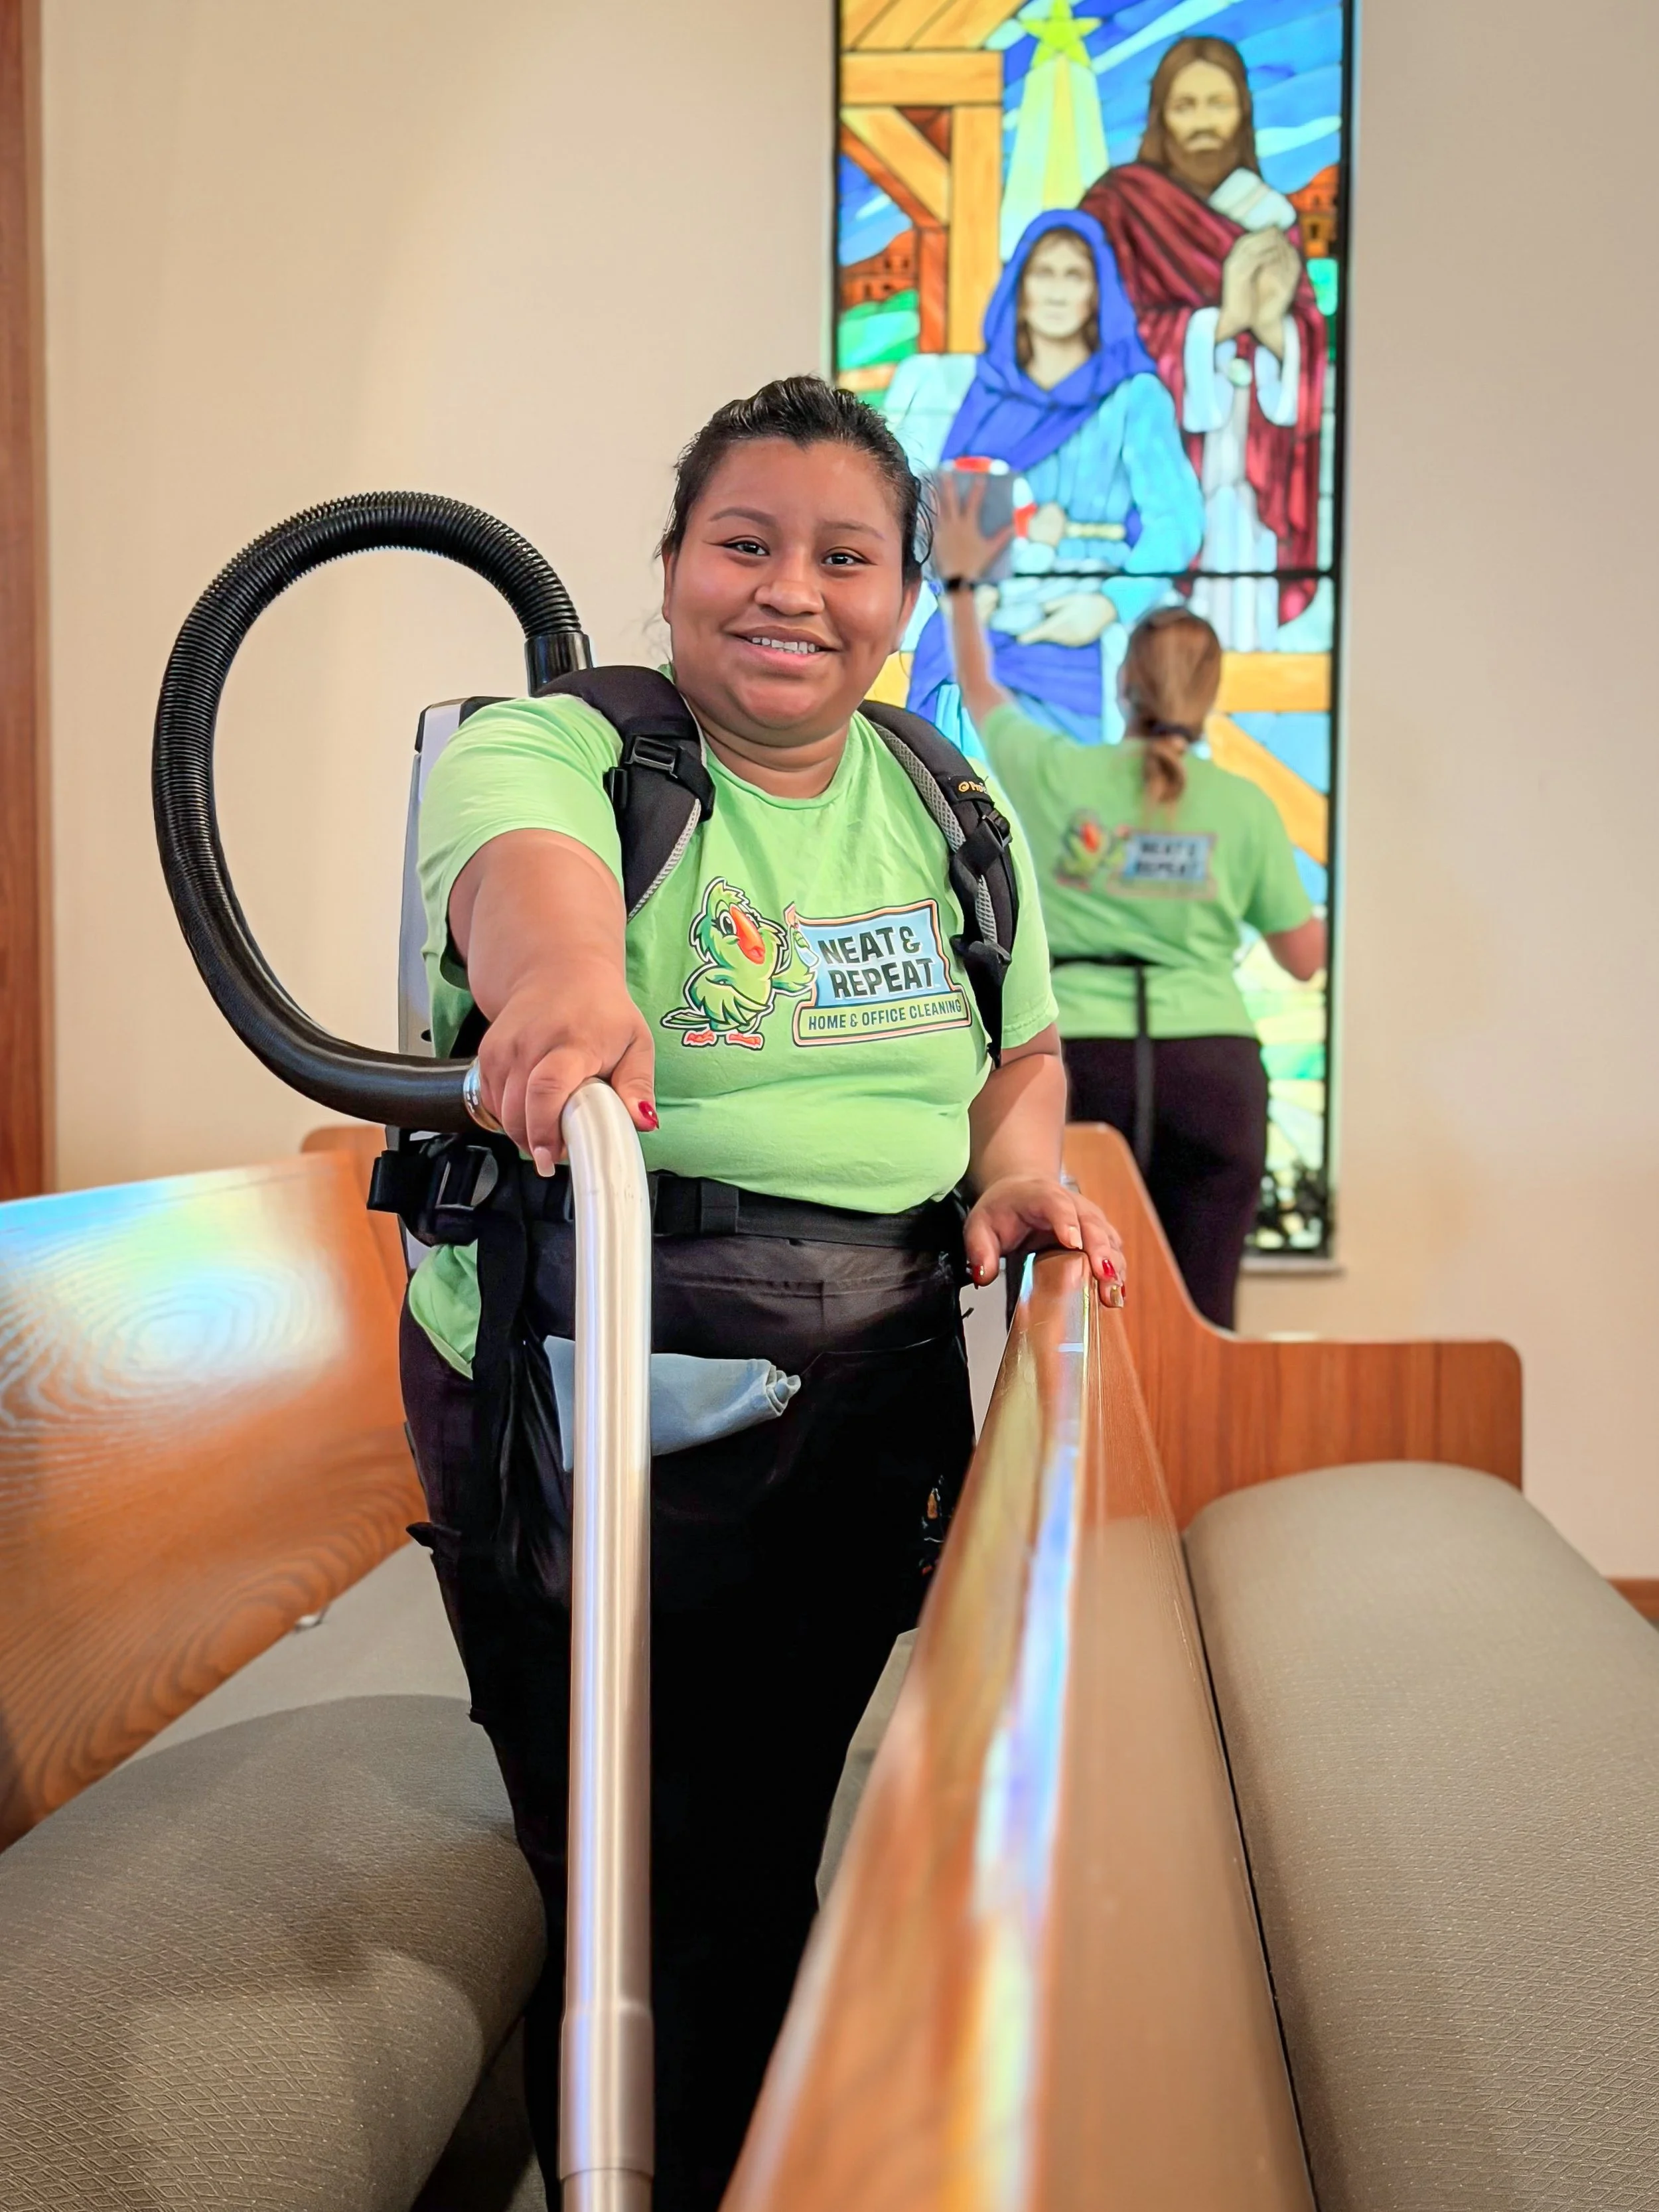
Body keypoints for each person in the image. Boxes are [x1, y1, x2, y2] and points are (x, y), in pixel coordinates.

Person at [397, 376, 1126, 2211]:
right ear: (670, 569)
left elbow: (1020, 1051)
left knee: (760, 1828)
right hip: (596, 1381)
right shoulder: (558, 749)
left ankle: (737, 2145)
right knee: (625, 1855)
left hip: (872, 1391)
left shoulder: (947, 797)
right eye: (745, 542)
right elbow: (530, 892)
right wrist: (567, 987)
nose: (791, 588)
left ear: (901, 598)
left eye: (844, 556)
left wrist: (1018, 1166)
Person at [931, 473, 1325, 1328]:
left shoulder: (1060, 773)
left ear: (1124, 684)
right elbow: (1303, 958)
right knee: (1203, 1319)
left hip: (1086, 1066)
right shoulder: (1245, 807)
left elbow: (980, 688)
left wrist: (960, 582)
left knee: (1072, 1309)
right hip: (1213, 1070)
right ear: (1207, 696)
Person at [885, 210, 1203, 748]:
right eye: (1043, 273)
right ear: (1021, 288)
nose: (1057, 291)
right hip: (979, 622)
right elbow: (929, 513)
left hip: (1082, 633)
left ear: (1097, 293)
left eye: (1074, 275)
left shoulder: (1134, 396)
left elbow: (1178, 523)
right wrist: (964, 591)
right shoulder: (980, 392)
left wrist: (1108, 606)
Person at [1080, 36, 1328, 652]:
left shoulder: (1268, 213)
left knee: (1242, 608)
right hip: (1150, 452)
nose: (1203, 123)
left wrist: (1269, 326)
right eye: (1185, 106)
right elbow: (1097, 332)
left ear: (1242, 111)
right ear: (1160, 115)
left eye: (1218, 104)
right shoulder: (1119, 207)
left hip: (1248, 449)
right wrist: (1222, 321)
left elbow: (1304, 329)